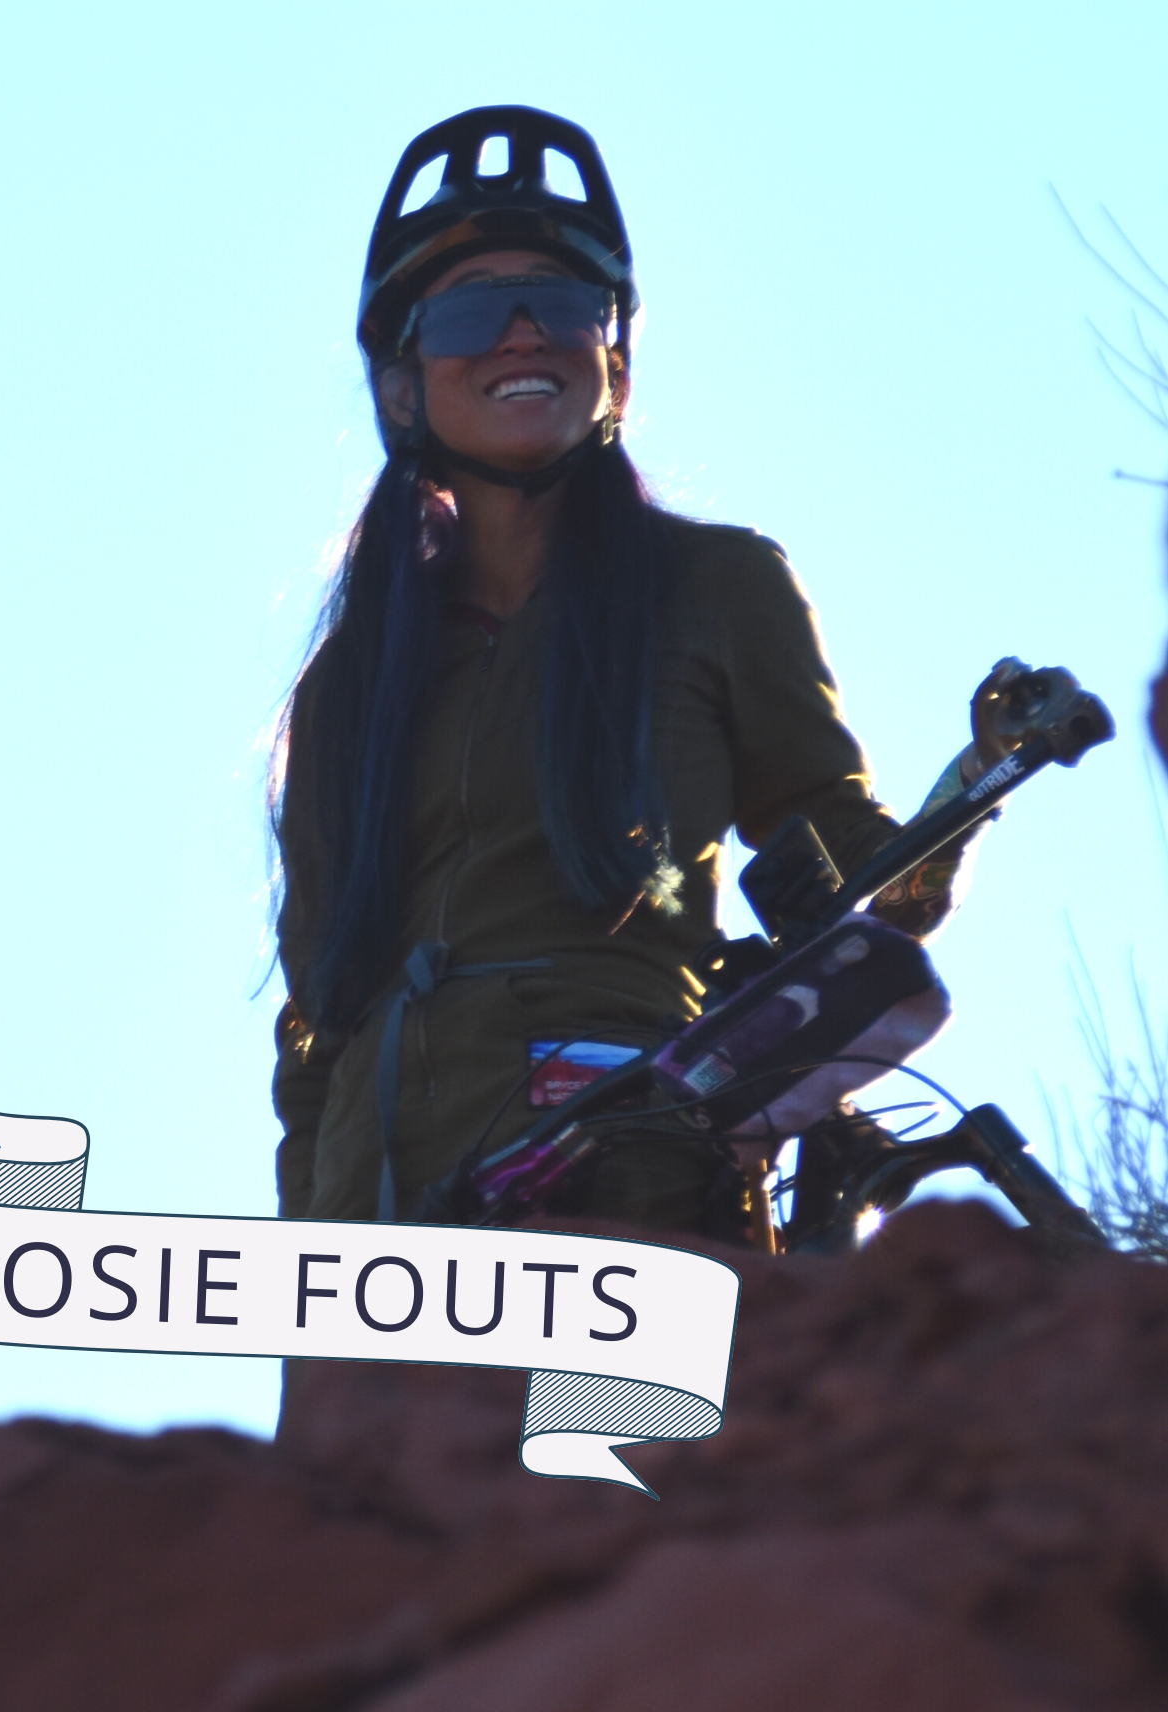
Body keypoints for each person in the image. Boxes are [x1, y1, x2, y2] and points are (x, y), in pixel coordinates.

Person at [271, 105, 1006, 1242]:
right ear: (404, 384)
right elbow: (312, 1032)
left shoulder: (717, 587)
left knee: (628, 1431)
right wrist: (310, 1306)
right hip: (384, 1216)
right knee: (416, 1436)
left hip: (630, 1164)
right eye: (472, 309)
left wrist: (977, 788)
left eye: (564, 305)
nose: (524, 335)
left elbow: (863, 882)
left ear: (613, 355)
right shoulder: (347, 689)